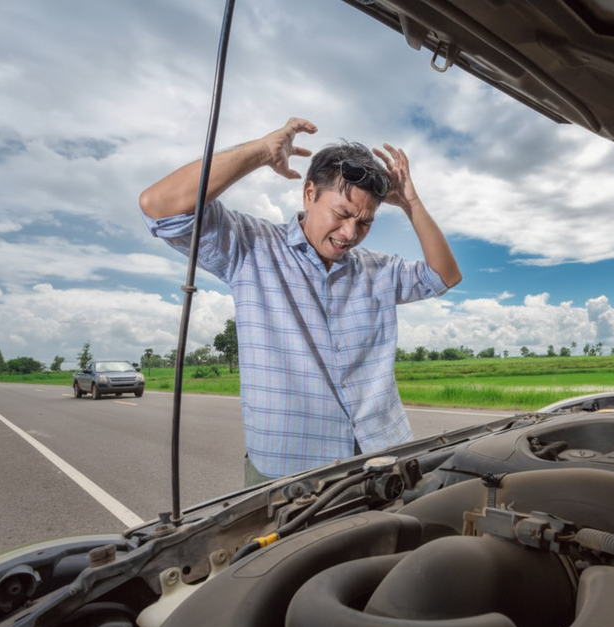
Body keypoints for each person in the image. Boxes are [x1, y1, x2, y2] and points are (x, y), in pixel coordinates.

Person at [139, 117, 461, 484]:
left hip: (383, 456)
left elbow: (444, 276)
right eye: (342, 213)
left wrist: (411, 203)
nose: (349, 233)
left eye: (365, 222)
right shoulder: (252, 247)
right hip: (290, 470)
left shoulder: (378, 270)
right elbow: (158, 206)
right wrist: (262, 151)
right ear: (309, 193)